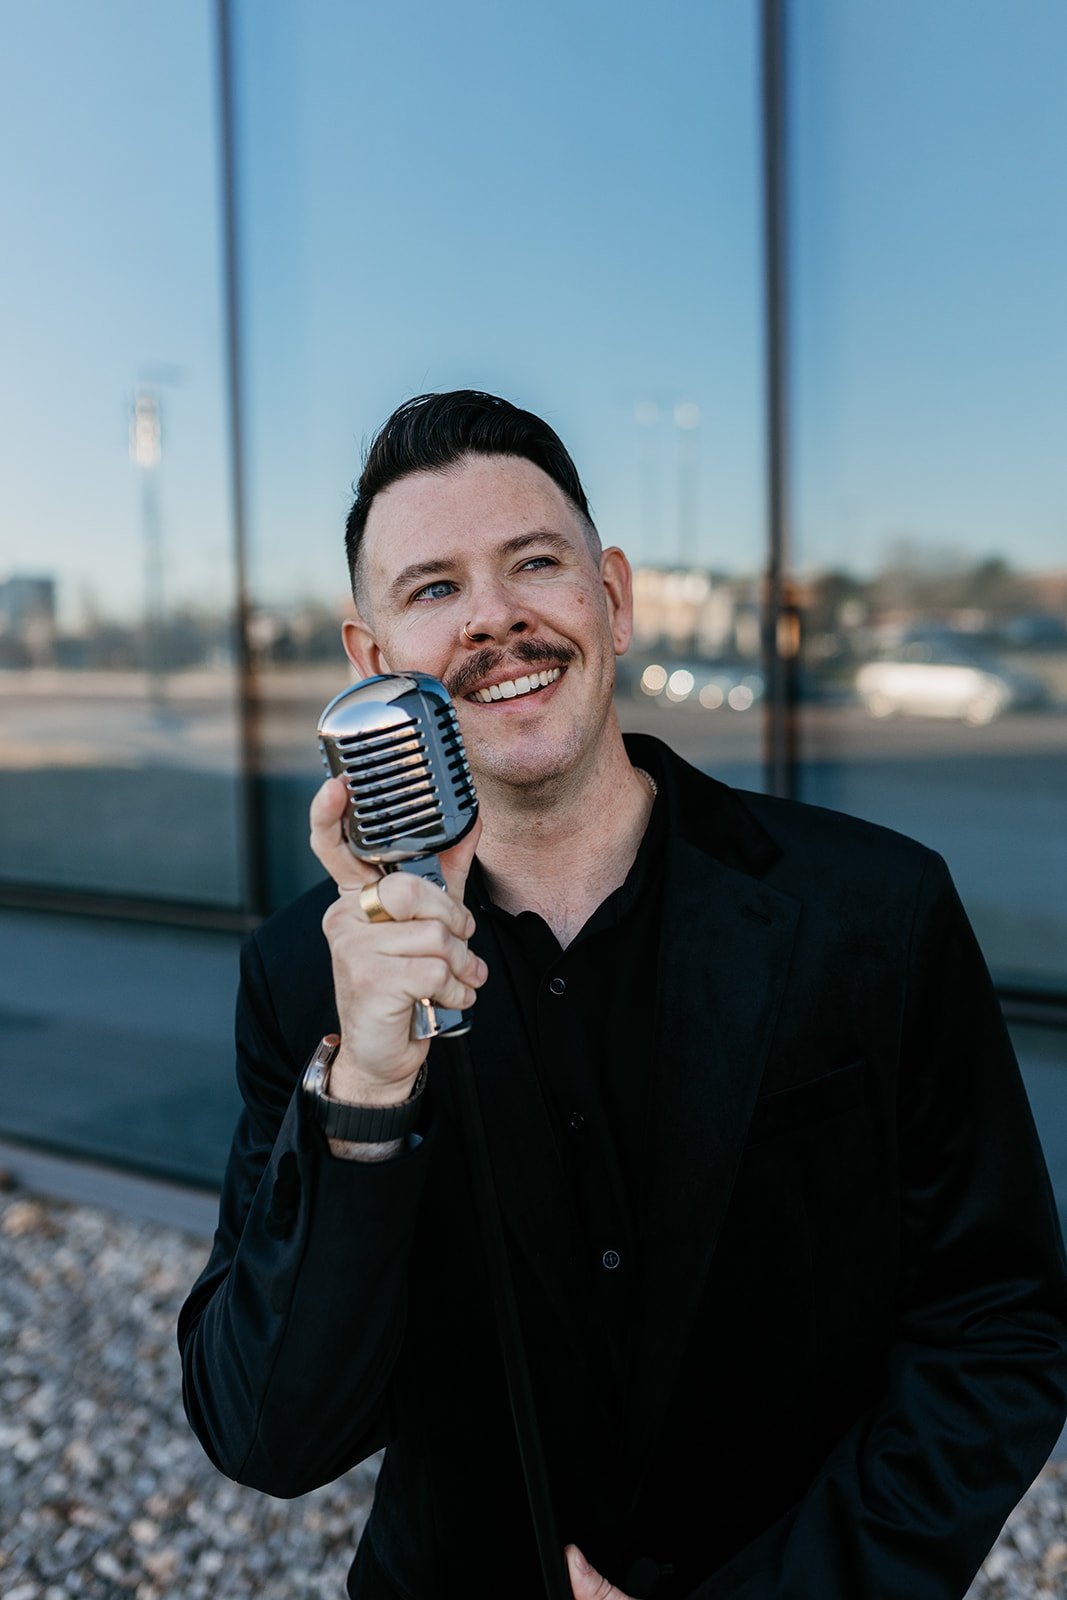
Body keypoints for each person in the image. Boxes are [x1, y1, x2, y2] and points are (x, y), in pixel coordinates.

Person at [179, 390, 1067, 1600]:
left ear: (614, 596)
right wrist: (371, 1091)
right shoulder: (310, 979)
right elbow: (269, 1432)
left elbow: (998, 1321)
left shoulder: (875, 909)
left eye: (532, 564)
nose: (494, 616)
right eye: (433, 587)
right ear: (374, 661)